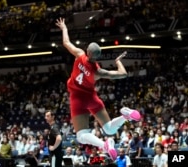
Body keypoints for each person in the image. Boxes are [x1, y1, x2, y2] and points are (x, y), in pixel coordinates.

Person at [55, 17, 141, 161]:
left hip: (77, 97)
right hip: (92, 98)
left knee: (81, 136)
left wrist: (64, 28)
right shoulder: (98, 72)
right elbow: (123, 74)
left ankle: (104, 144)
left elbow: (66, 42)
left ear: (88, 52)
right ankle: (125, 115)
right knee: (109, 128)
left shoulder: (80, 54)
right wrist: (118, 62)